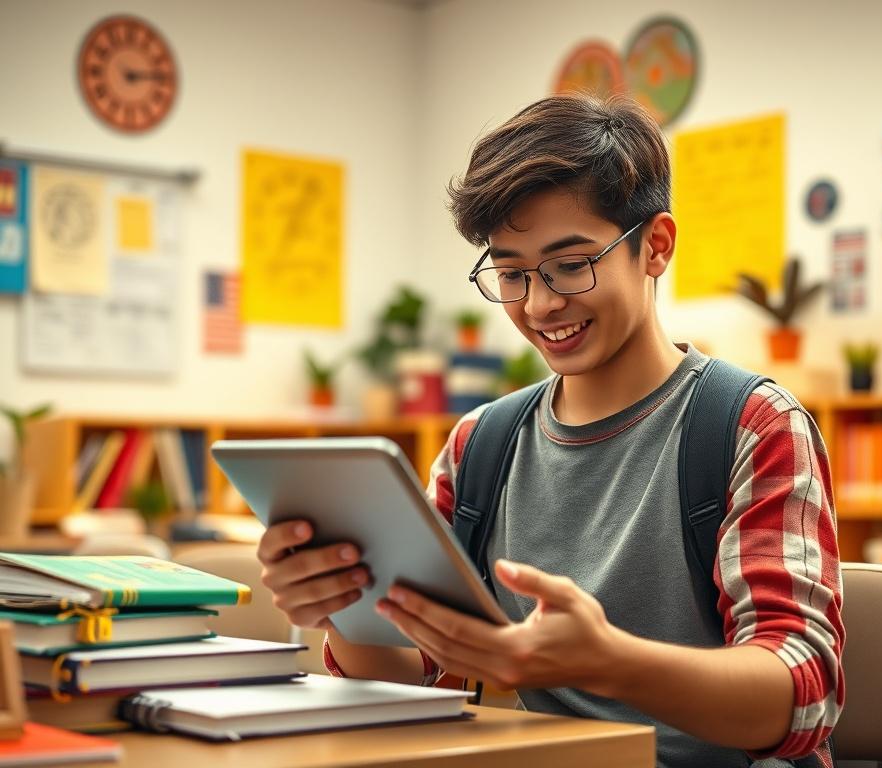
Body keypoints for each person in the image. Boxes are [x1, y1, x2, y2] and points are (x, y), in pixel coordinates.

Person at [257, 93, 844, 768]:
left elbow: (803, 695)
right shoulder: (480, 446)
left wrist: (611, 664)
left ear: (656, 246)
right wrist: (340, 607)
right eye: (511, 274)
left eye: (571, 265)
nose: (539, 304)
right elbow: (416, 673)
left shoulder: (751, 426)